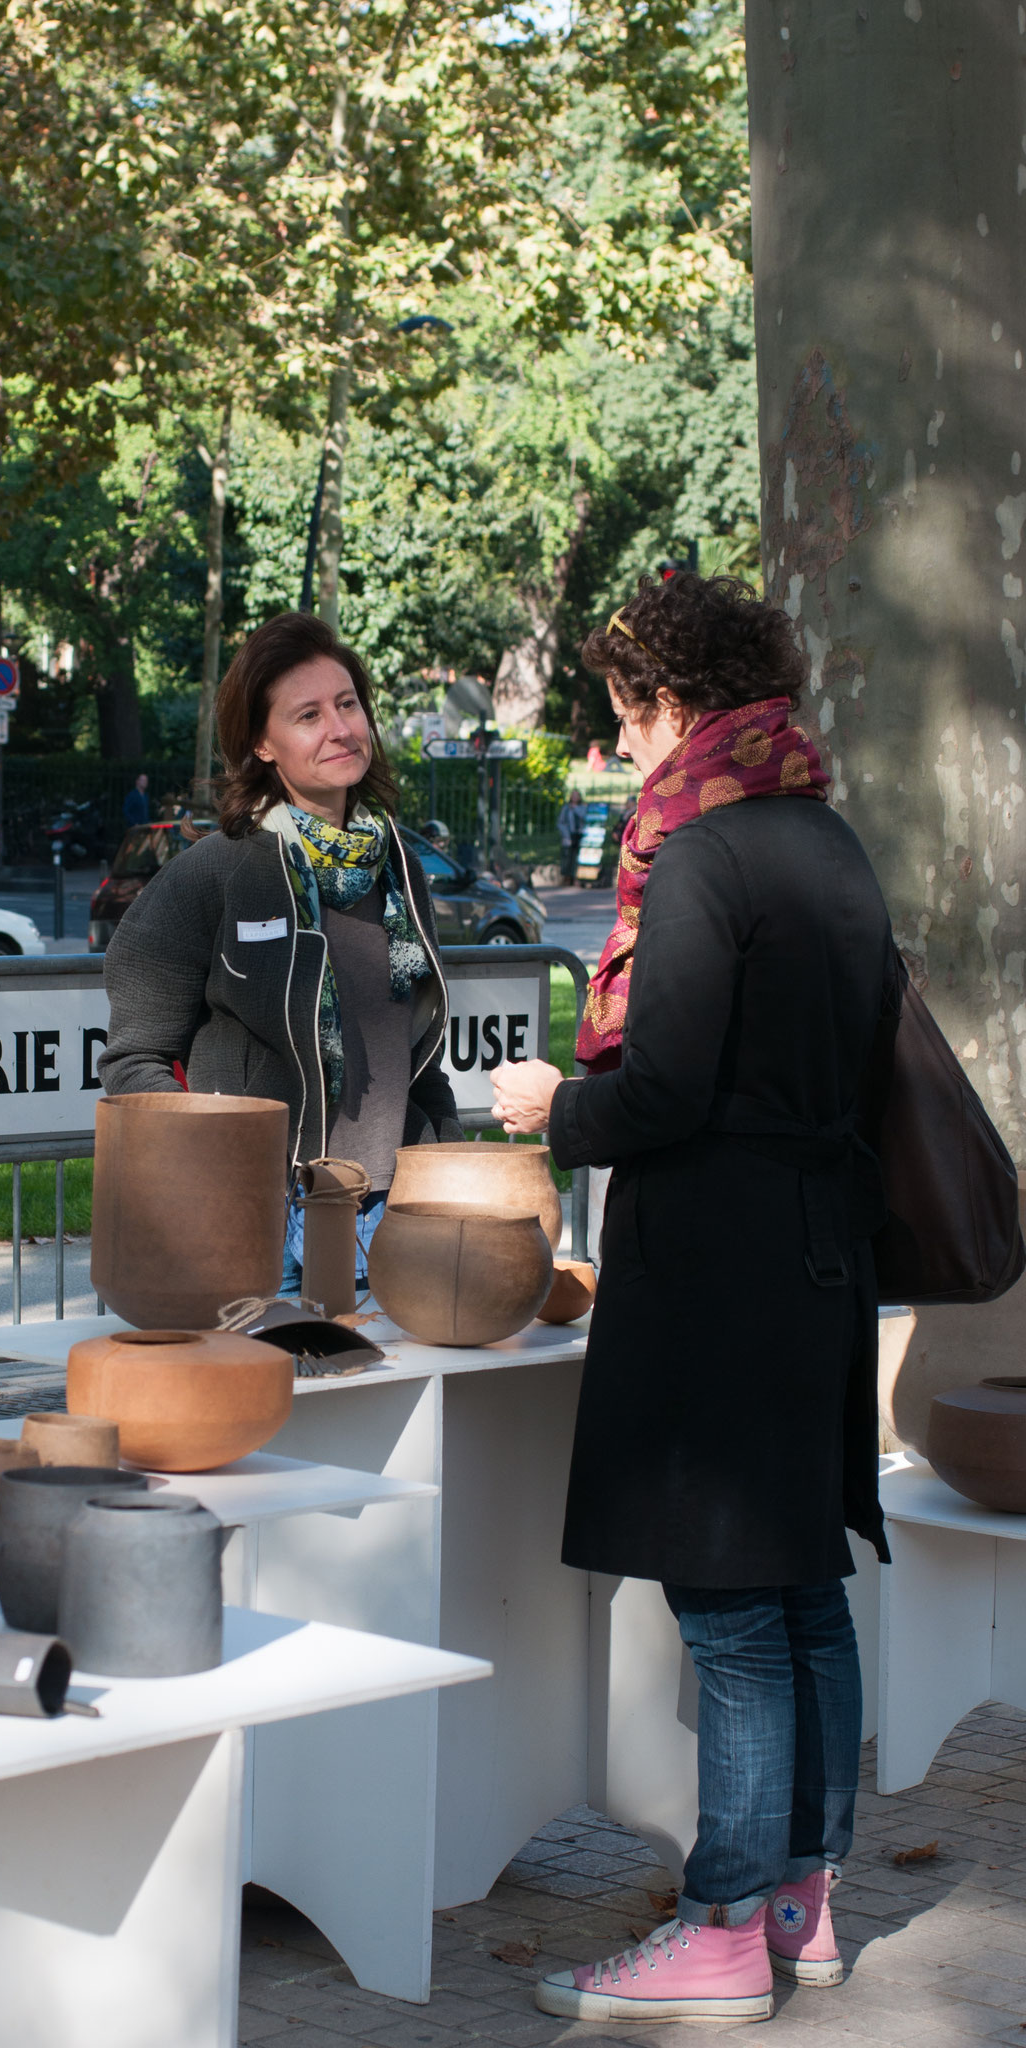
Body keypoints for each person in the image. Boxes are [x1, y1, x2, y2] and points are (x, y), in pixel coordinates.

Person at [492, 572, 899, 2026]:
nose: (626, 751)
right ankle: (804, 1901)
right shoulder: (829, 837)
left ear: (672, 702)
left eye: (627, 717)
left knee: (729, 1609)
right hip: (816, 1257)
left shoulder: (705, 856)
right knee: (801, 1592)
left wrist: (555, 1101)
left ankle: (722, 1927)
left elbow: (661, 1089)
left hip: (717, 1267)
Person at [100, 611, 461, 1294]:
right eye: (307, 716)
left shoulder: (400, 871)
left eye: (347, 704)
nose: (340, 728)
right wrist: (220, 1165)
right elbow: (134, 1062)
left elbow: (417, 1060)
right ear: (263, 744)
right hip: (260, 1216)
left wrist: (451, 1171)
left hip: (396, 1216)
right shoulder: (217, 872)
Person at [556, 787, 585, 881]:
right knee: (567, 855)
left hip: (580, 834)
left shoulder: (582, 807)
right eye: (573, 795)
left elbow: (584, 817)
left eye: (577, 795)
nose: (575, 797)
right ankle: (566, 876)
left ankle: (575, 876)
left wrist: (575, 809)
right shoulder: (566, 808)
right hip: (569, 835)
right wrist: (566, 835)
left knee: (577, 856)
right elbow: (561, 822)